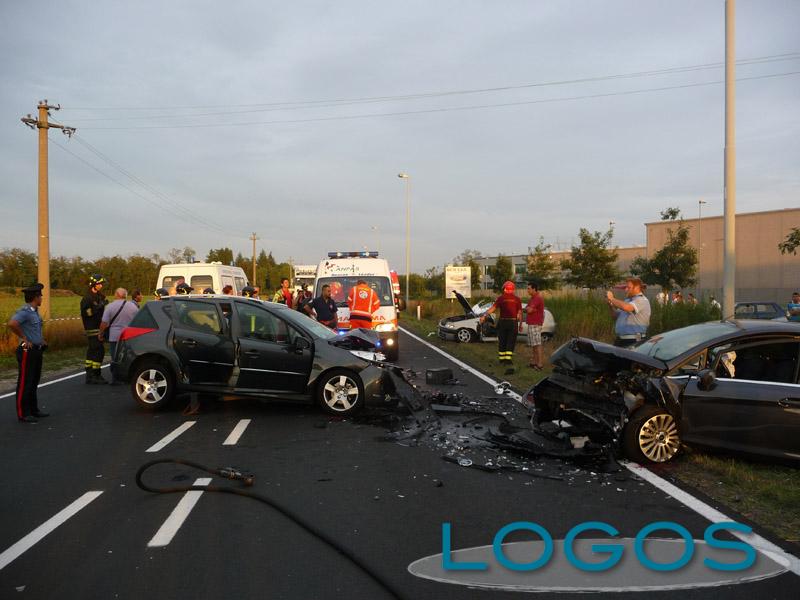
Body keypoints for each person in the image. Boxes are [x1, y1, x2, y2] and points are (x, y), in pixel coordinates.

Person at [6, 283, 48, 422]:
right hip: (26, 350)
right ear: (36, 297)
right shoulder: (25, 311)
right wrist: (24, 338)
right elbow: (12, 323)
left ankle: (33, 410)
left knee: (34, 380)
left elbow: (34, 330)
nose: (42, 298)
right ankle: (23, 413)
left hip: (36, 349)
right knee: (25, 381)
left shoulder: (34, 312)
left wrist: (41, 340)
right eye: (40, 296)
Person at [479, 281, 523, 374]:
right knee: (511, 341)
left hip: (503, 322)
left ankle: (502, 360)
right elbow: (519, 313)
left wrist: (484, 315)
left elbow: (492, 309)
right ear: (513, 289)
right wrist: (521, 324)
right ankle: (508, 360)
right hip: (513, 322)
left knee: (502, 340)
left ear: (505, 289)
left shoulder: (501, 298)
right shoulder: (517, 299)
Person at [99, 288, 139, 384]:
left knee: (115, 357)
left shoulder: (110, 306)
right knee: (128, 356)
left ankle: (115, 378)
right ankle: (129, 377)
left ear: (117, 294)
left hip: (114, 336)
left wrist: (100, 333)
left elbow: (104, 323)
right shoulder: (133, 306)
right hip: (129, 336)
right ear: (125, 295)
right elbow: (138, 320)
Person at [607, 277, 651, 347]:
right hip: (621, 340)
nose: (626, 290)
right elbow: (615, 316)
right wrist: (610, 305)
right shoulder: (628, 300)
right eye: (625, 287)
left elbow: (627, 308)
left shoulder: (642, 300)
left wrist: (612, 299)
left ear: (636, 287)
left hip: (634, 340)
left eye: (628, 287)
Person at [80, 274, 108, 384]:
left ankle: (90, 375)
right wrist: (99, 306)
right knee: (98, 350)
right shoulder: (87, 298)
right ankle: (95, 374)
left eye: (101, 284)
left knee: (93, 350)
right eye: (99, 284)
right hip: (92, 328)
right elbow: (88, 313)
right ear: (93, 284)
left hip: (99, 327)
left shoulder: (99, 296)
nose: (101, 285)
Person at [524, 282, 545, 370]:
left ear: (534, 289)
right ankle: (534, 362)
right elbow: (526, 309)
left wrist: (530, 309)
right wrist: (530, 309)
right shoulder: (532, 299)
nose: (527, 290)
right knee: (533, 344)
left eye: (529, 288)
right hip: (531, 324)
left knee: (537, 344)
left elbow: (529, 310)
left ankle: (539, 364)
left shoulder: (537, 298)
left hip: (535, 324)